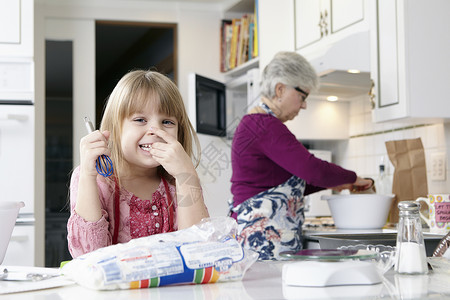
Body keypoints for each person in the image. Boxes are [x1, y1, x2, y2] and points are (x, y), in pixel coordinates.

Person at [230, 51, 373, 260]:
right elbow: (312, 169)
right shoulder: (264, 125)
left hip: (257, 235)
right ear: (280, 89)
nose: (304, 104)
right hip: (262, 240)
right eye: (302, 96)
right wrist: (354, 178)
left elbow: (282, 183)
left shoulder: (256, 123)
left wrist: (336, 183)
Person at [67, 70, 209, 258]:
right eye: (140, 120)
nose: (155, 131)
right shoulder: (95, 179)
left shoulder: (180, 182)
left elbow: (199, 252)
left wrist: (186, 176)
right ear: (114, 129)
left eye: (167, 122)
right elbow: (88, 256)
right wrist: (87, 174)